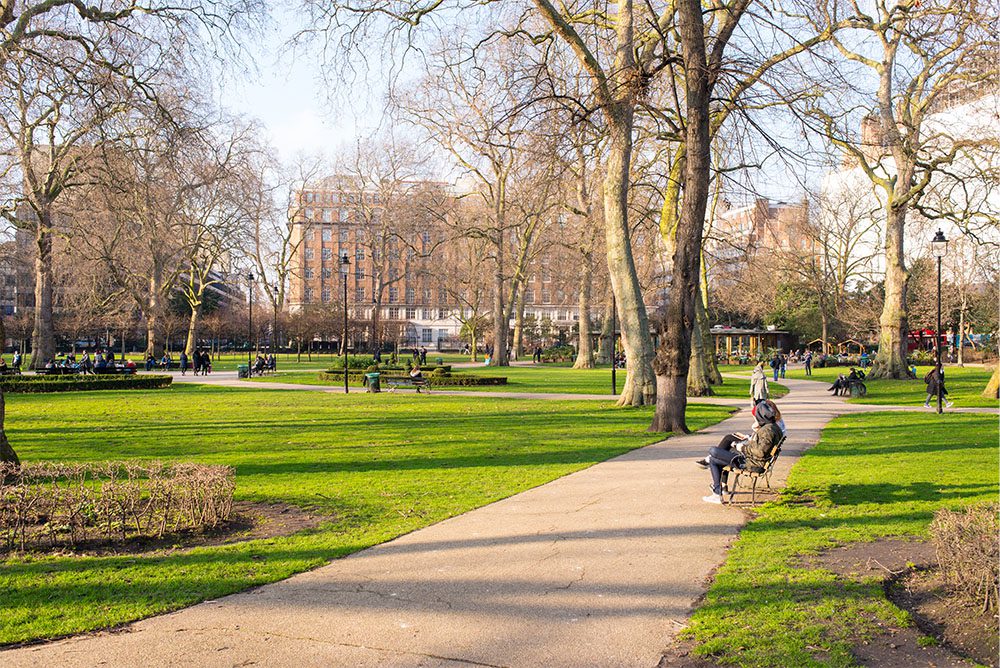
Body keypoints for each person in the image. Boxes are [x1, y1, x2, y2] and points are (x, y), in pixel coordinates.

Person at [697, 401, 785, 504]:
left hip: (751, 464)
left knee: (713, 450)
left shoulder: (768, 430)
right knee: (713, 459)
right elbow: (759, 447)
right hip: (752, 460)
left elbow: (760, 452)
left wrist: (741, 447)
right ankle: (717, 493)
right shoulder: (772, 427)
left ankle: (718, 491)